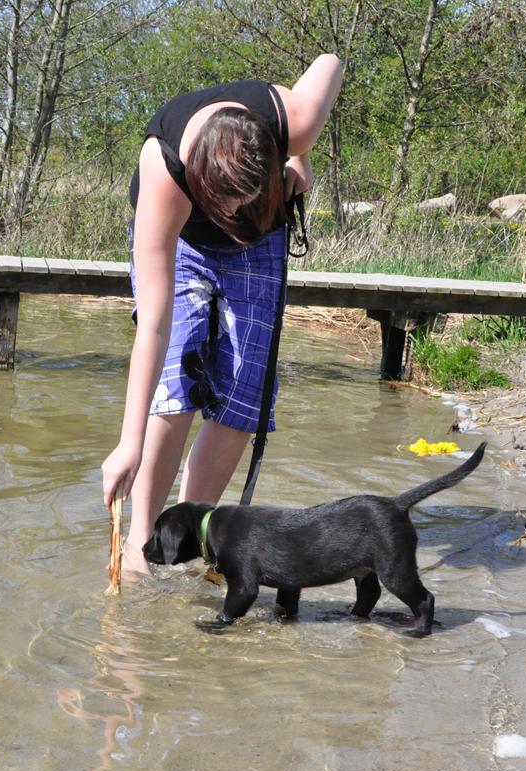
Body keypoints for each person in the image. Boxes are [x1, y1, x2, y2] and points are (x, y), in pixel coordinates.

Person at [101, 54, 344, 576]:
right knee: (176, 385)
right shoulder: (163, 172)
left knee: (243, 395)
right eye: (229, 207)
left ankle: (194, 538)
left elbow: (330, 61)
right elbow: (157, 327)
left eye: (247, 201)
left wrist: (300, 159)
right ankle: (146, 546)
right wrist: (128, 443)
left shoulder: (294, 120)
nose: (236, 218)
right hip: (184, 243)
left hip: (265, 242)